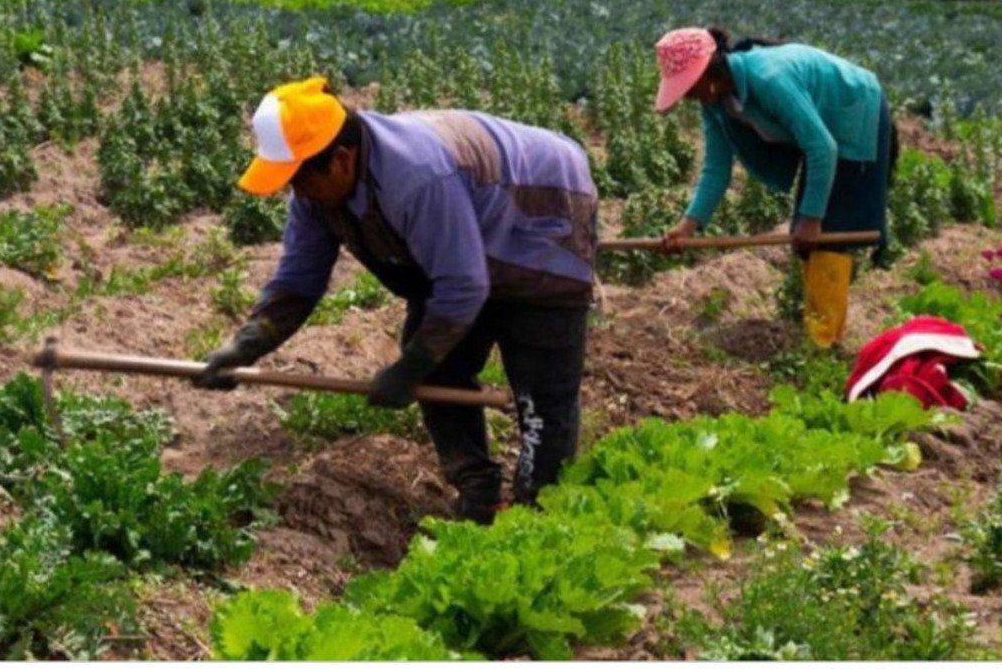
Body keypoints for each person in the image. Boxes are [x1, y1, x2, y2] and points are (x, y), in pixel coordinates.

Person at [195, 77, 598, 524]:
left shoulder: (416, 177)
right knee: (441, 368)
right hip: (466, 227)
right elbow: (298, 280)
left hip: (543, 210)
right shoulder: (315, 195)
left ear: (341, 159)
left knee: (541, 397)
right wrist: (248, 343)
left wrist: (411, 365)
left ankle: (540, 513)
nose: (297, 192)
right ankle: (480, 496)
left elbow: (463, 285)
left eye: (300, 179)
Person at [654, 27, 897, 347]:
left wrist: (812, 218)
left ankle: (822, 344)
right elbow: (716, 168)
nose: (687, 96)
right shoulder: (715, 103)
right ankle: (818, 332)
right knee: (807, 240)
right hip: (822, 134)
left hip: (855, 111)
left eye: (687, 86)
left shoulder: (769, 79)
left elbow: (822, 148)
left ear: (707, 73)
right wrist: (687, 226)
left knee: (828, 236)